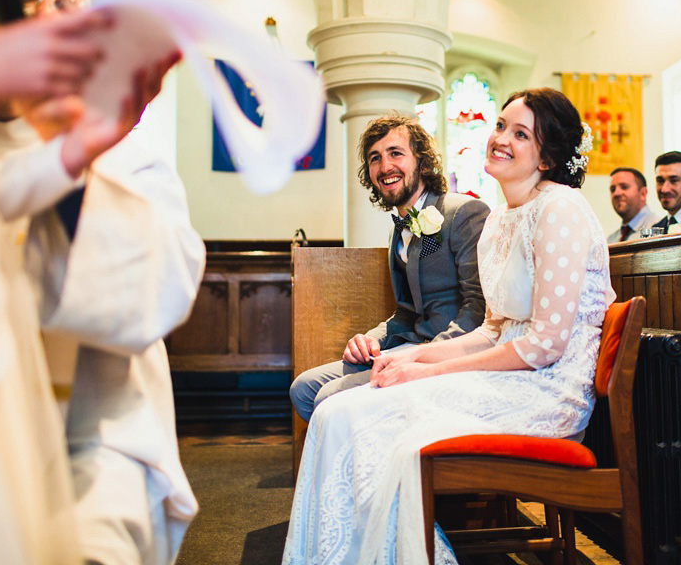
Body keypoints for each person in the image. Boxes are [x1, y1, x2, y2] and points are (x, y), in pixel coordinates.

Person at [283, 87, 614, 564]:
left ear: (547, 157)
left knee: (351, 411)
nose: (502, 138)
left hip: (544, 389)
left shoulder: (559, 210)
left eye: (522, 134)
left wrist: (427, 369)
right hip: (507, 373)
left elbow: (543, 346)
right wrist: (407, 354)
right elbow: (492, 328)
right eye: (501, 126)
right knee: (337, 412)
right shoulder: (502, 218)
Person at [0, 0, 204, 565]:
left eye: (64, 5)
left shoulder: (128, 156)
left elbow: (161, 293)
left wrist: (74, 166)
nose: (43, 14)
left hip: (96, 447)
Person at [0, 0, 112, 563]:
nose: (40, 14)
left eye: (64, 6)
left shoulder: (117, 151)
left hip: (94, 433)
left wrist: (76, 150)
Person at [289, 115, 489, 422]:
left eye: (396, 153)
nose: (385, 167)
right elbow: (408, 311)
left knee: (330, 399)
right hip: (407, 345)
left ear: (422, 161)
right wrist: (371, 340)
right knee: (302, 389)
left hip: (448, 356)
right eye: (375, 158)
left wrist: (423, 357)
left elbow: (478, 307)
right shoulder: (399, 230)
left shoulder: (463, 213)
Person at [607, 166, 660, 241]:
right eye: (613, 189)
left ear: (643, 194)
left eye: (624, 187)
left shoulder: (659, 230)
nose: (616, 193)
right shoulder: (610, 240)